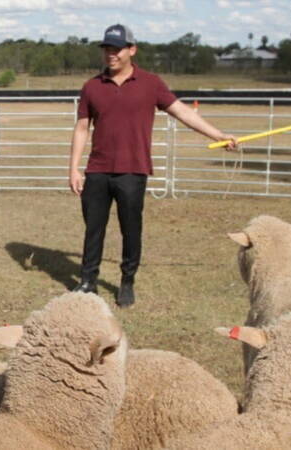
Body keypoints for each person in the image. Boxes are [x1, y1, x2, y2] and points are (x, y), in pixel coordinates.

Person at [69, 24, 241, 307]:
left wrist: (219, 135)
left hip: (133, 171)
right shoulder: (92, 87)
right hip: (97, 170)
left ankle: (127, 281)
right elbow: (81, 127)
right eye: (106, 49)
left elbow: (183, 112)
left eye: (116, 49)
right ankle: (88, 281)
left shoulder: (151, 84)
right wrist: (73, 168)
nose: (110, 54)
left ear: (131, 50)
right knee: (93, 229)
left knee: (131, 229)